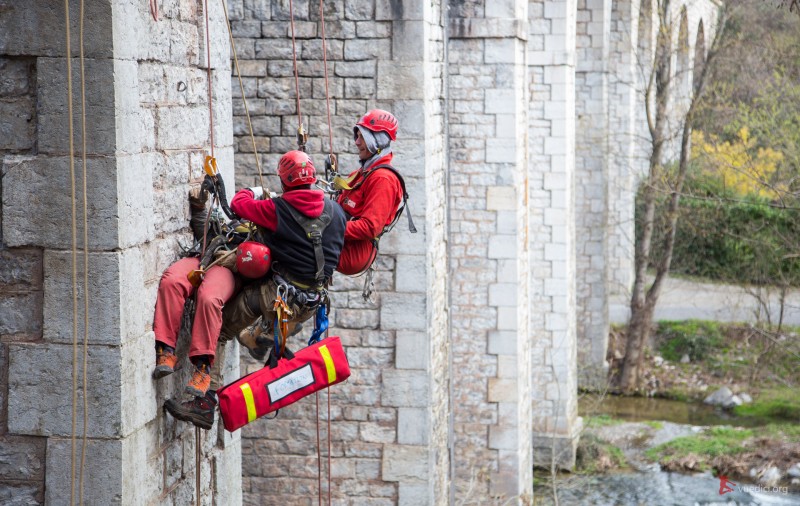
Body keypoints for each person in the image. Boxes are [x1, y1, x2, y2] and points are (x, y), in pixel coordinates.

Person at [160, 150, 347, 429]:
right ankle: (260, 336)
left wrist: (258, 191)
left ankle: (205, 403)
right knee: (261, 307)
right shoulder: (337, 212)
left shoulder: (278, 209)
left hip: (276, 297)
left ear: (284, 181)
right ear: (313, 178)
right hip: (311, 302)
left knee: (220, 328)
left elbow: (239, 204)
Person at [335, 109, 413, 276]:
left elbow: (370, 227)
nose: (357, 142)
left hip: (352, 252)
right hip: (342, 242)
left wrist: (326, 228)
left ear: (377, 142)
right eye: (357, 136)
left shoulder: (383, 179)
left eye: (362, 137)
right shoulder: (362, 173)